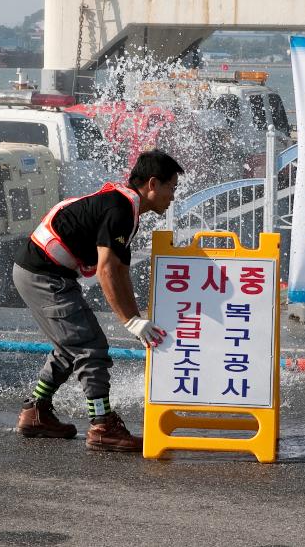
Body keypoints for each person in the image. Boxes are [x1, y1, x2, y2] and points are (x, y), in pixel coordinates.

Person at [12, 150, 184, 453]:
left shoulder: (124, 208)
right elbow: (105, 270)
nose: (173, 195)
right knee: (91, 348)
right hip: (43, 275)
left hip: (43, 271)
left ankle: (35, 412)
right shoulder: (120, 209)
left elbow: (120, 271)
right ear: (153, 184)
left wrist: (137, 317)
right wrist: (130, 321)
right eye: (172, 186)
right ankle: (102, 425)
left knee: (71, 347)